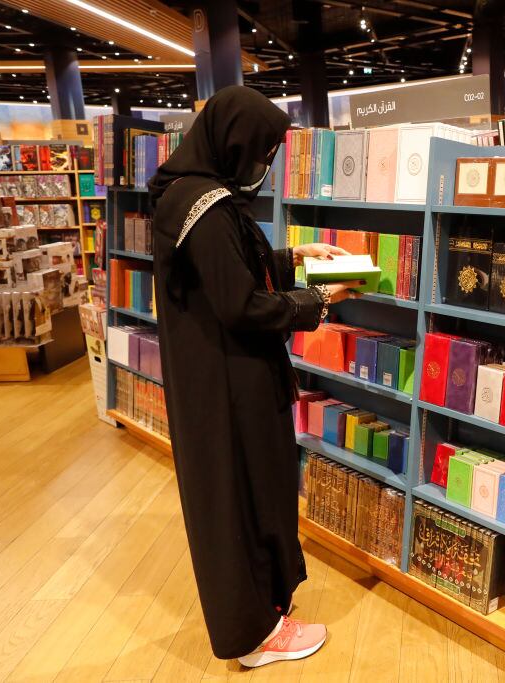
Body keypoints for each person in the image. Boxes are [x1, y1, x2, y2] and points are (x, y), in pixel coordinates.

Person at [149, 85, 361, 668]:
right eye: (262, 151)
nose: (264, 165)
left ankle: (258, 618)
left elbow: (228, 265)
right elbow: (240, 303)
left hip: (214, 378)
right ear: (235, 142)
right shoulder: (208, 206)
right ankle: (255, 633)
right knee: (244, 492)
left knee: (236, 491)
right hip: (229, 382)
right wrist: (312, 303)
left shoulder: (190, 195)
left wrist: (297, 255)